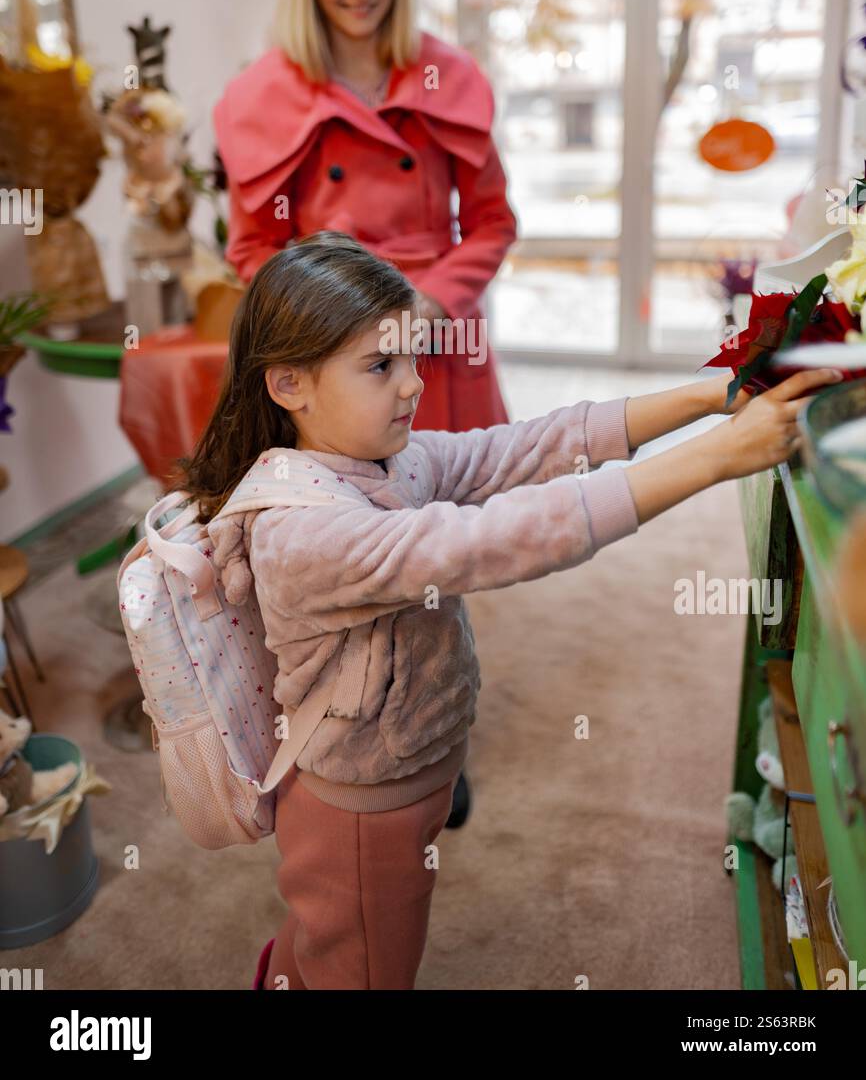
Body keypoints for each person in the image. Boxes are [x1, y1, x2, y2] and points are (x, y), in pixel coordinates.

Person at [171, 230, 841, 991]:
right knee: (363, 964)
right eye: (380, 365)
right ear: (289, 385)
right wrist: (713, 459)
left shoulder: (386, 458)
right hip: (361, 801)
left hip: (407, 766)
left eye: (413, 356)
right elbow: (497, 538)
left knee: (335, 935)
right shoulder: (305, 533)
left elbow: (527, 449)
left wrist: (711, 398)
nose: (412, 385)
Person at [213, 0, 518, 436]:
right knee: (358, 518)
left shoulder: (447, 74)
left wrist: (430, 304)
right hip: (335, 355)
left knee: (469, 513)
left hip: (440, 339)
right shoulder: (261, 94)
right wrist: (329, 318)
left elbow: (492, 222)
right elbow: (254, 245)